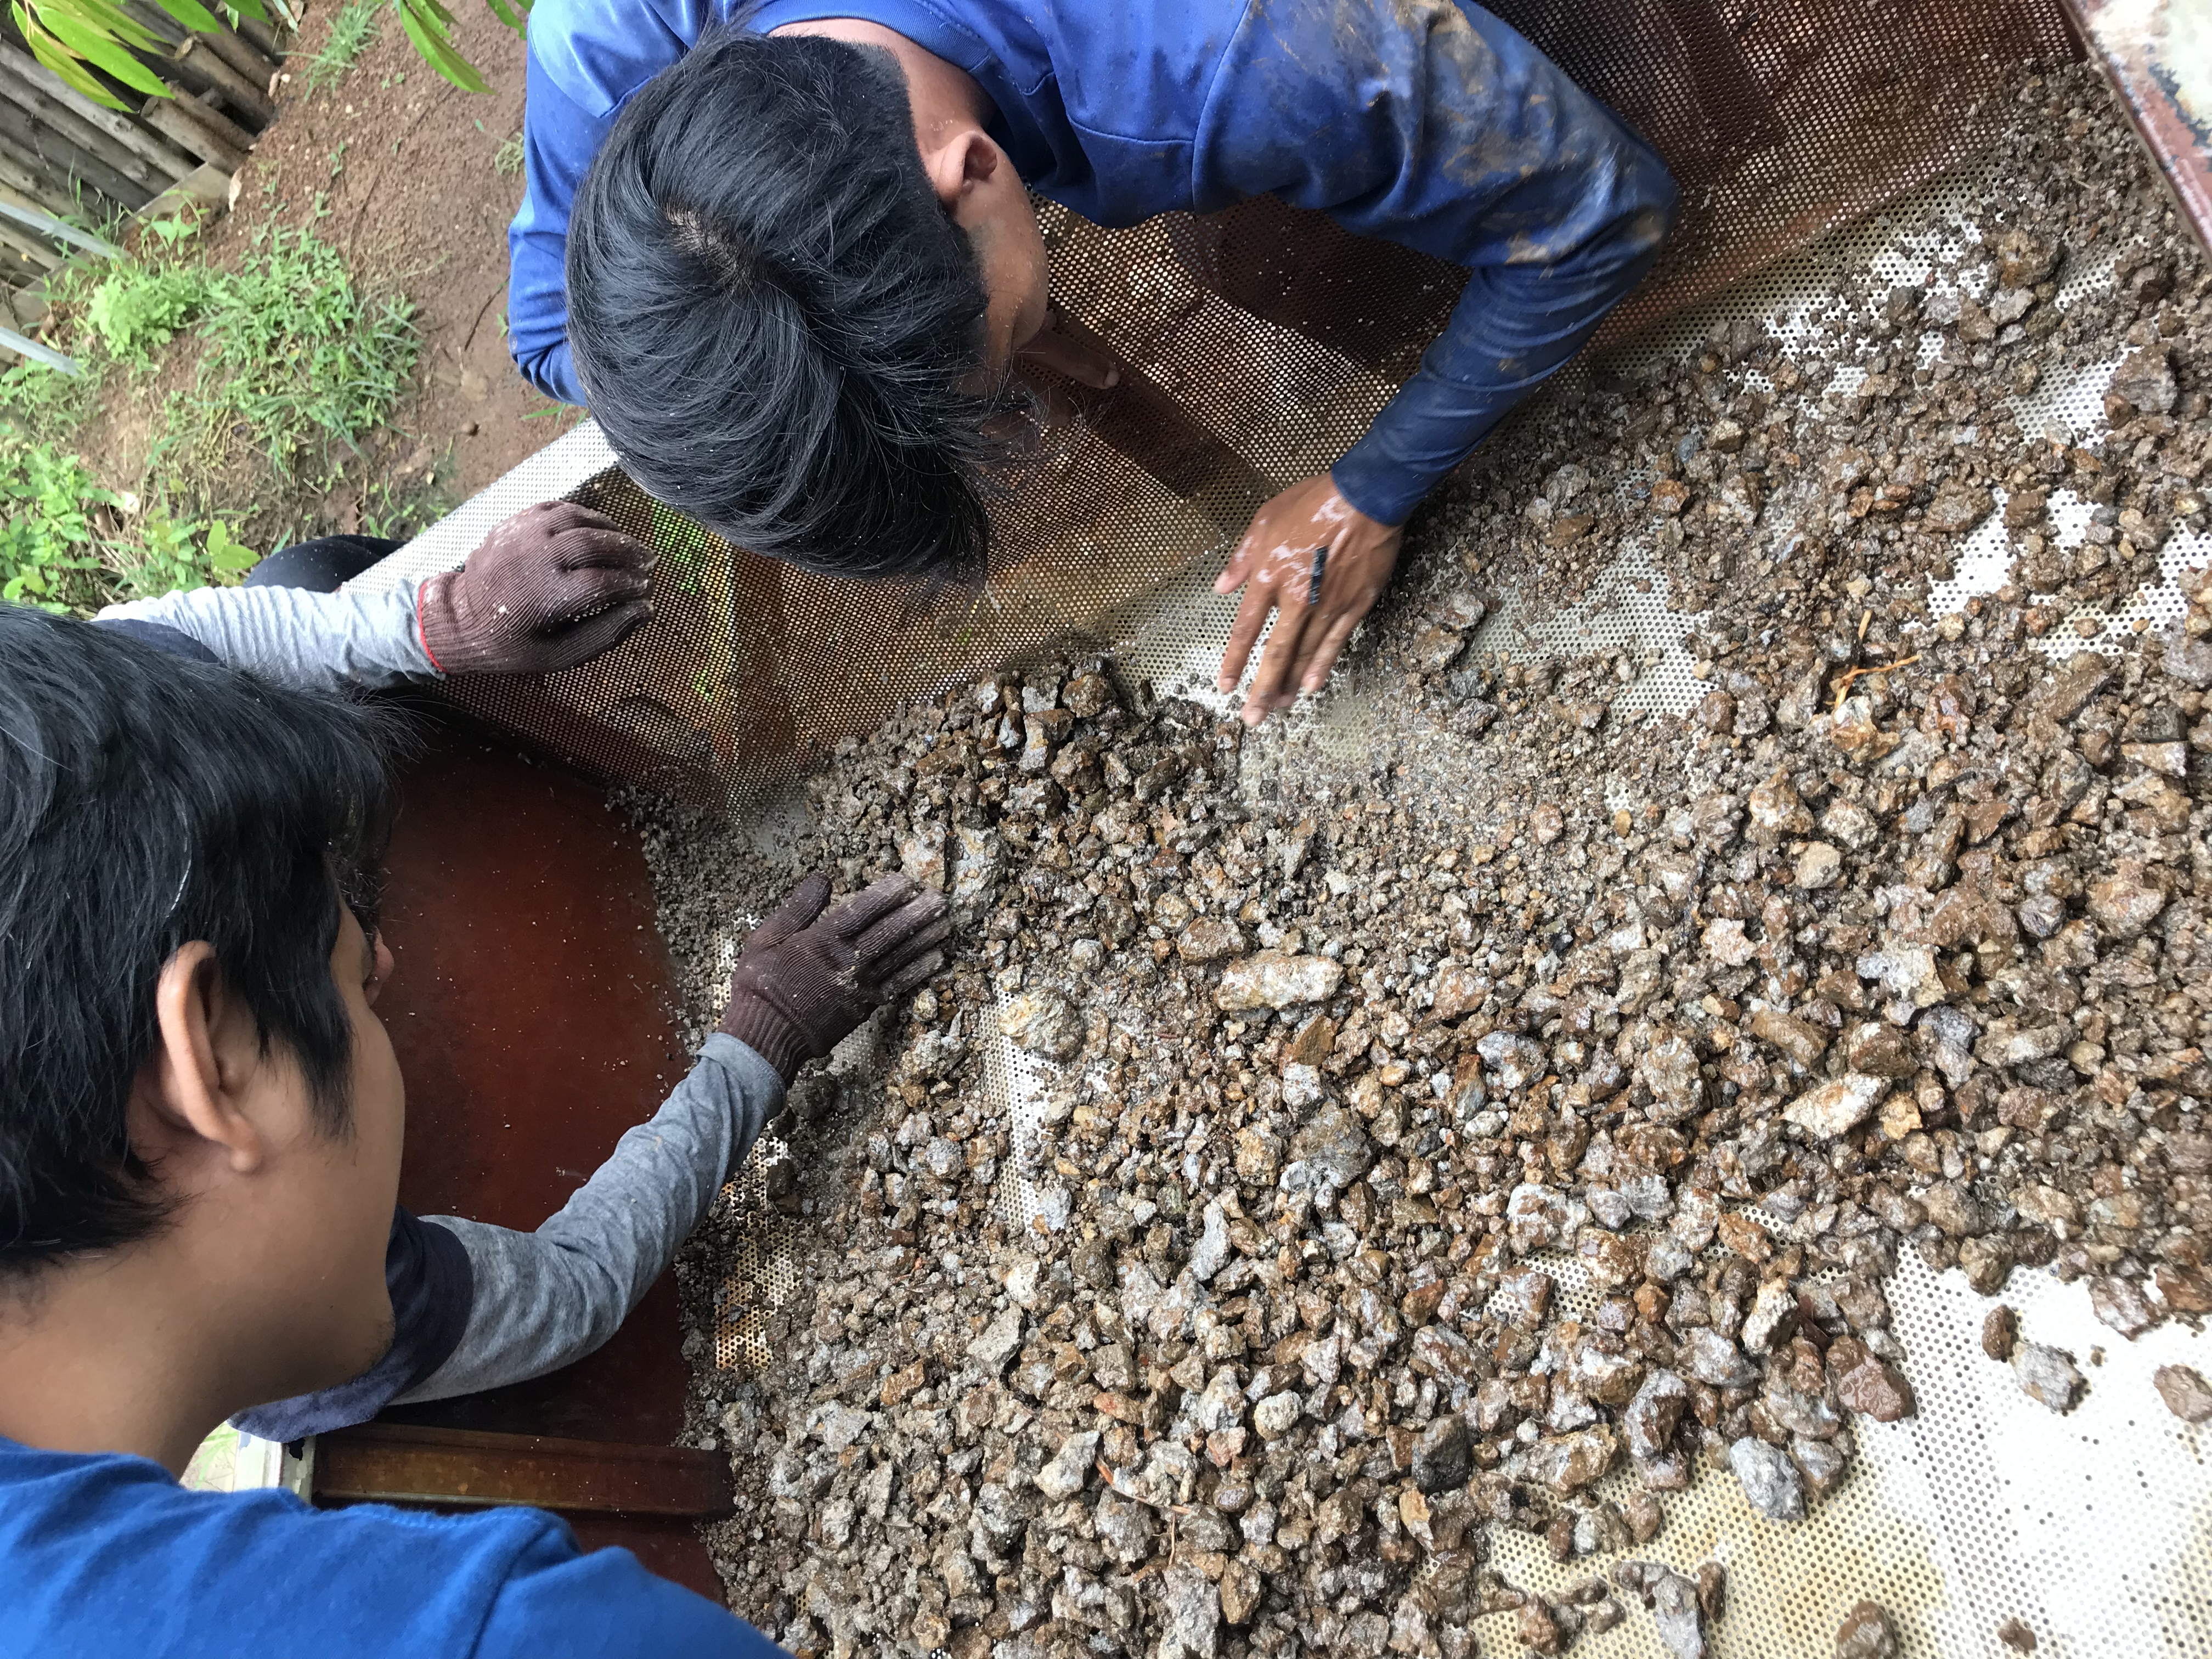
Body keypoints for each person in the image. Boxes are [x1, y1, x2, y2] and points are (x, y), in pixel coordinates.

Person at [509, 0, 1677, 725]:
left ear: (974, 175)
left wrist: (1372, 490)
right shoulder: (613, 28)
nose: (1019, 386)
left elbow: (1601, 218)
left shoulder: (1252, 60)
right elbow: (553, 338)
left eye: (1001, 363)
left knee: (1288, 265)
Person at [75, 507, 950, 1443]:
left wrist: (441, 622)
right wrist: (759, 1042)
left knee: (308, 581)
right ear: (212, 1068)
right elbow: (573, 1288)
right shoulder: (304, 1315)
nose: (388, 960)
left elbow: (167, 642)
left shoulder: (69, 752)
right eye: (348, 970)